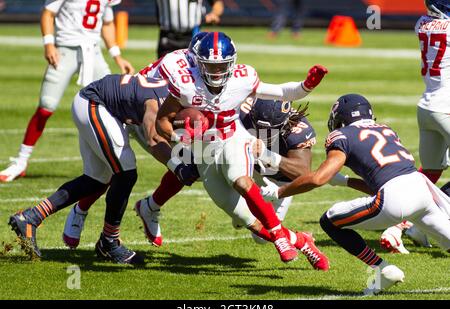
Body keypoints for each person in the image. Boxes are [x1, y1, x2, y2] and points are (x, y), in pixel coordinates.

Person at [156, 31, 329, 264]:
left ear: (232, 63)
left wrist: (307, 85)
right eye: (210, 66)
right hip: (203, 152)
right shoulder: (187, 84)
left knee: (241, 180)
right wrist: (182, 137)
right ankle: (301, 241)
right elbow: (161, 122)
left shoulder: (243, 78)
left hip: (232, 138)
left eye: (222, 66)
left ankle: (279, 236)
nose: (217, 72)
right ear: (199, 63)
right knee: (246, 219)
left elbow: (282, 92)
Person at [260, 94, 450, 294]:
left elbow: (318, 178)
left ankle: (383, 269)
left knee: (330, 221)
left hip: (395, 196)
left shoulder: (342, 136)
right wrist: (345, 181)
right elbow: (383, 182)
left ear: (341, 117)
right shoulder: (386, 129)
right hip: (422, 189)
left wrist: (279, 191)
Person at [61, 32, 209, 249]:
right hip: (140, 112)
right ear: (195, 57)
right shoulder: (177, 66)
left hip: (160, 113)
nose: (214, 70)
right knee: (114, 169)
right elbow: (160, 114)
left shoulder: (211, 71)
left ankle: (150, 207)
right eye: (209, 64)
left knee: (192, 163)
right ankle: (80, 210)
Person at [9, 73, 170, 264]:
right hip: (95, 104)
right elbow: (153, 139)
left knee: (96, 179)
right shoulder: (157, 99)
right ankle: (110, 242)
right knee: (126, 174)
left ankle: (31, 217)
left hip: (100, 106)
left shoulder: (174, 90)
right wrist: (179, 165)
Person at [0, 0, 135, 183]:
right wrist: (49, 43)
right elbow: (48, 12)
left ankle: (115, 159)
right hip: (65, 49)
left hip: (93, 52)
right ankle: (21, 161)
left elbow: (107, 23)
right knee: (46, 106)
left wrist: (117, 56)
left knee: (113, 105)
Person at [380, 0, 450, 254]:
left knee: (429, 174)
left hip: (428, 108)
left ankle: (401, 228)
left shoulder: (422, 24)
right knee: (429, 174)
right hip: (446, 108)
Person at [155, 0, 223, 58]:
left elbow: (217, 3)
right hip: (168, 37)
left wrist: (214, 14)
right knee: (165, 69)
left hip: (193, 36)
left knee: (193, 71)